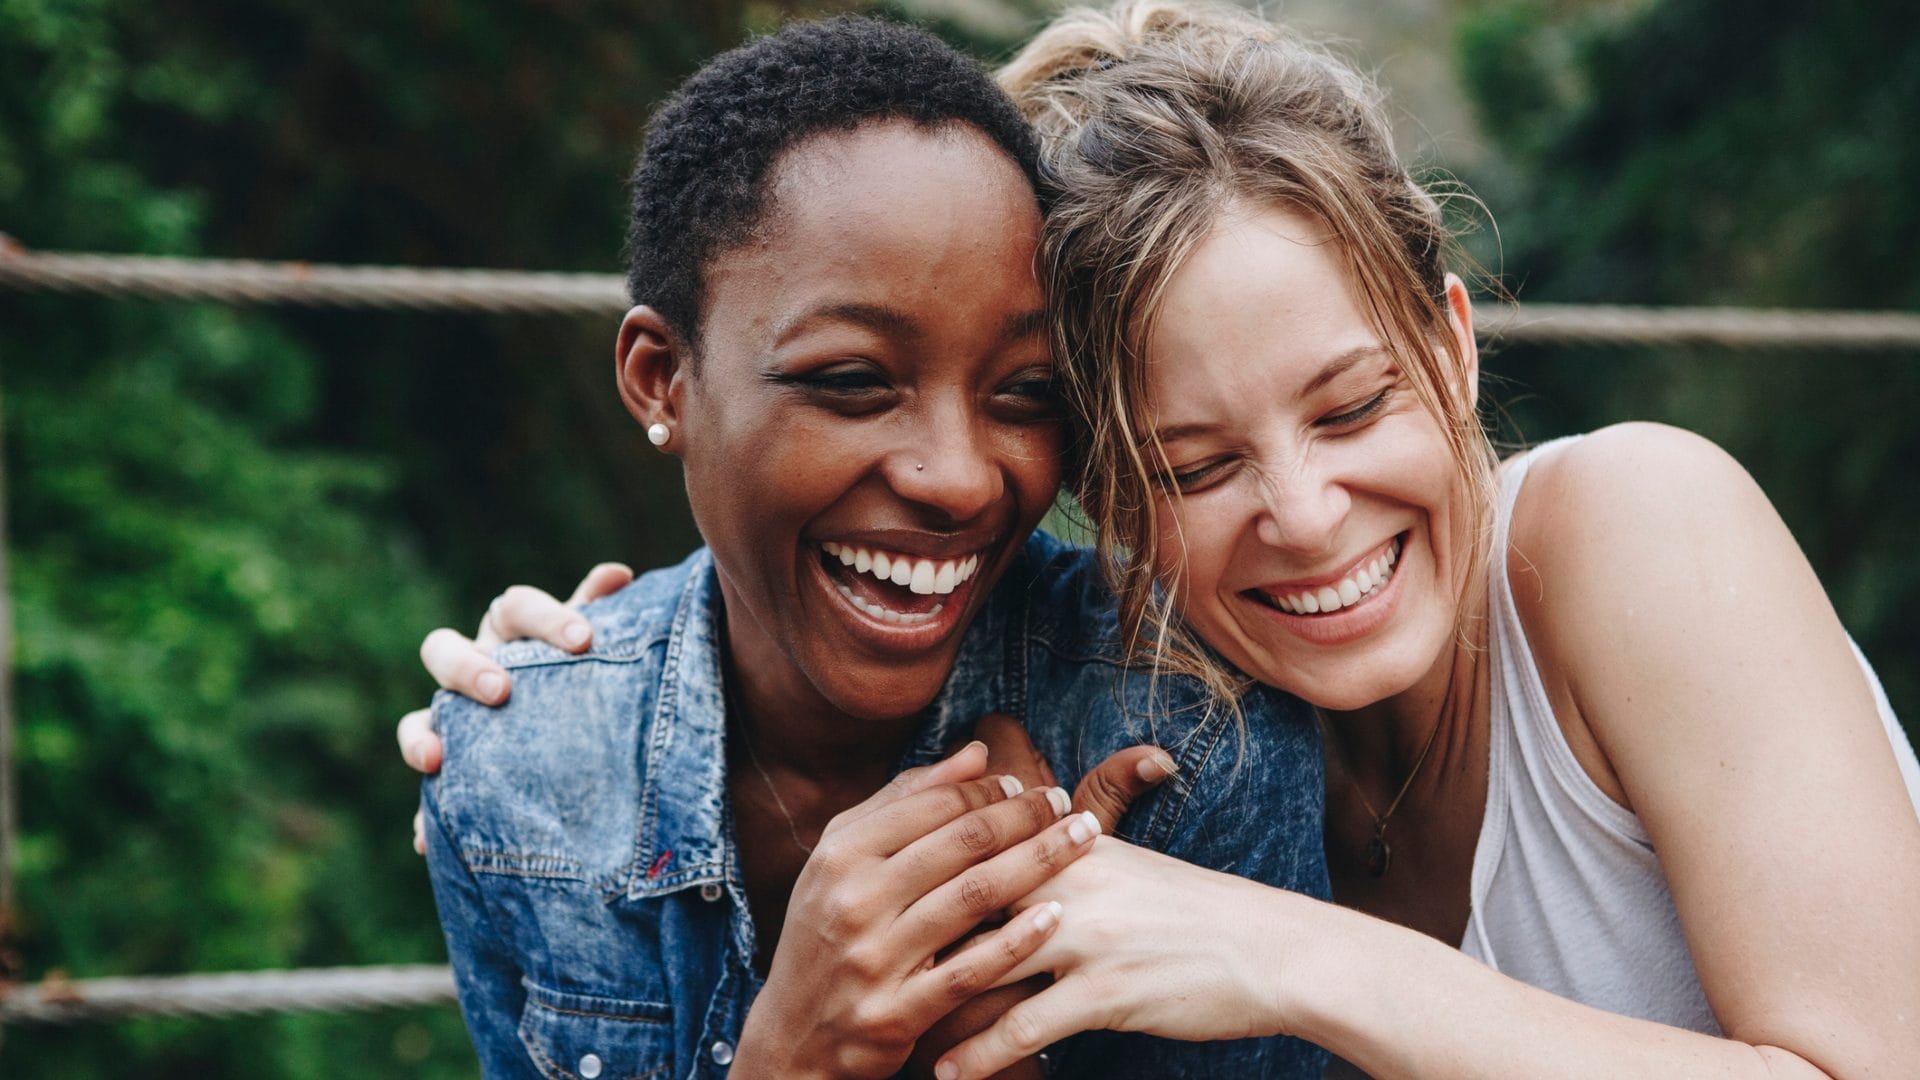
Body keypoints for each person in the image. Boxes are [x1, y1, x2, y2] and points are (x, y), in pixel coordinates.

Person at [416, 3, 1920, 1078]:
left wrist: (1297, 957)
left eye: (1350, 408)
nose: (1307, 513)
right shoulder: (1169, 716)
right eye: (1194, 466)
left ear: (1453, 347)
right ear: (1100, 495)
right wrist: (582, 691)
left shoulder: (1633, 529)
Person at [411, 15, 1328, 1080]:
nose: (959, 477)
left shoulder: (1187, 731)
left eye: (1025, 394)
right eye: (853, 382)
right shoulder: (517, 777)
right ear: (663, 379)